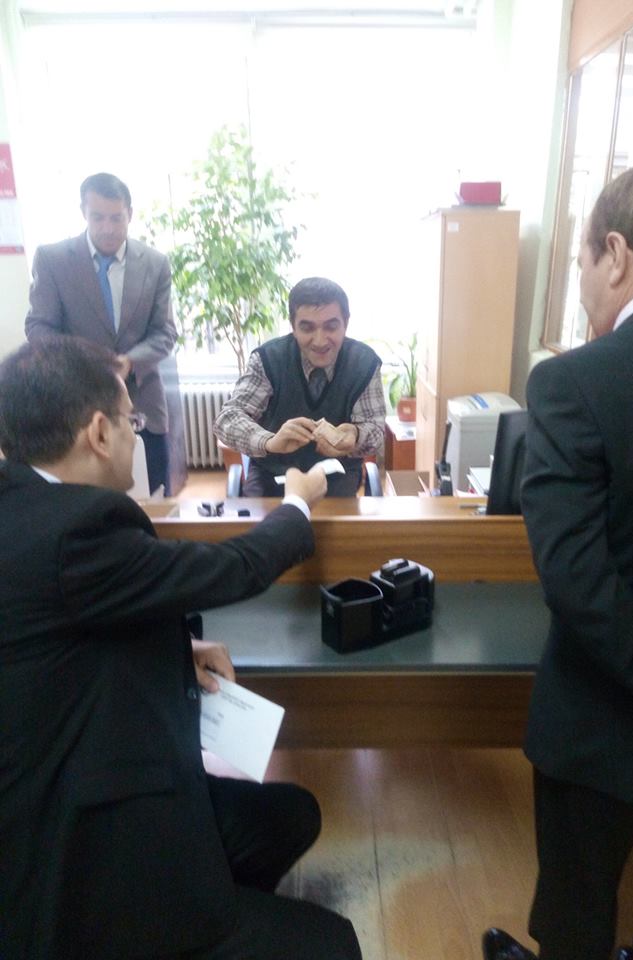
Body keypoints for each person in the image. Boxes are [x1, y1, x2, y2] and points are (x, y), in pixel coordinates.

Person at [0, 335, 362, 960]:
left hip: (49, 768)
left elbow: (65, 625)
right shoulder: (80, 527)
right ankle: (179, 927)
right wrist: (297, 505)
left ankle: (213, 903)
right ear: (99, 433)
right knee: (332, 943)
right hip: (78, 836)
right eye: (131, 421)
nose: (135, 434)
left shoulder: (22, 507)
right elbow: (231, 569)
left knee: (288, 818)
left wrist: (178, 645)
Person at [483, 163, 633, 960]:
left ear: (615, 254)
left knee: (578, 918)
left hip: (600, 729)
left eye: (581, 262)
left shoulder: (574, 381)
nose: (583, 284)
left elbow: (578, 583)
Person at [25, 171, 177, 496]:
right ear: (83, 212)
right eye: (98, 217)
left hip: (143, 405)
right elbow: (39, 327)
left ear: (130, 214)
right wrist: (86, 363)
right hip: (77, 407)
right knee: (86, 504)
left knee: (153, 499)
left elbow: (165, 332)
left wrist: (129, 362)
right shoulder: (53, 260)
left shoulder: (155, 263)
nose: (108, 228)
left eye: (116, 218)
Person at [214, 276, 385, 496]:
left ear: (346, 323)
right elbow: (227, 419)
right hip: (272, 476)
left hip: (336, 477)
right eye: (307, 328)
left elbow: (375, 429)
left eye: (331, 327)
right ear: (293, 326)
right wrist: (270, 441)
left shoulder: (364, 363)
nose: (320, 341)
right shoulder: (269, 359)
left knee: (337, 518)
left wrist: (355, 434)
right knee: (265, 518)